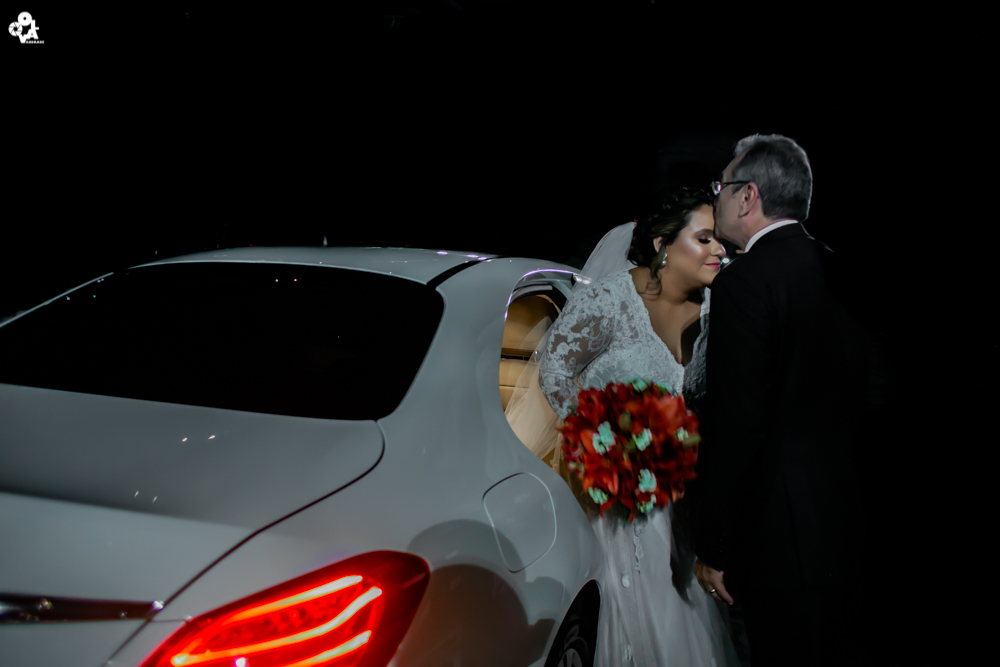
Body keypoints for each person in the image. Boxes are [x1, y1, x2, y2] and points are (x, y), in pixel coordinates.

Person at [531, 186, 738, 666]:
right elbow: (554, 369)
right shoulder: (610, 299)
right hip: (605, 502)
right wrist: (599, 439)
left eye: (720, 240)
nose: (719, 251)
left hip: (674, 508)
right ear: (663, 244)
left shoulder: (716, 310)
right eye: (705, 239)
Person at [691, 134, 872, 665]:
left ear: (748, 196)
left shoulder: (745, 282)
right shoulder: (841, 270)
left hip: (779, 539)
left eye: (722, 187)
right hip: (850, 525)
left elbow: (738, 424)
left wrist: (714, 546)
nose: (717, 198)